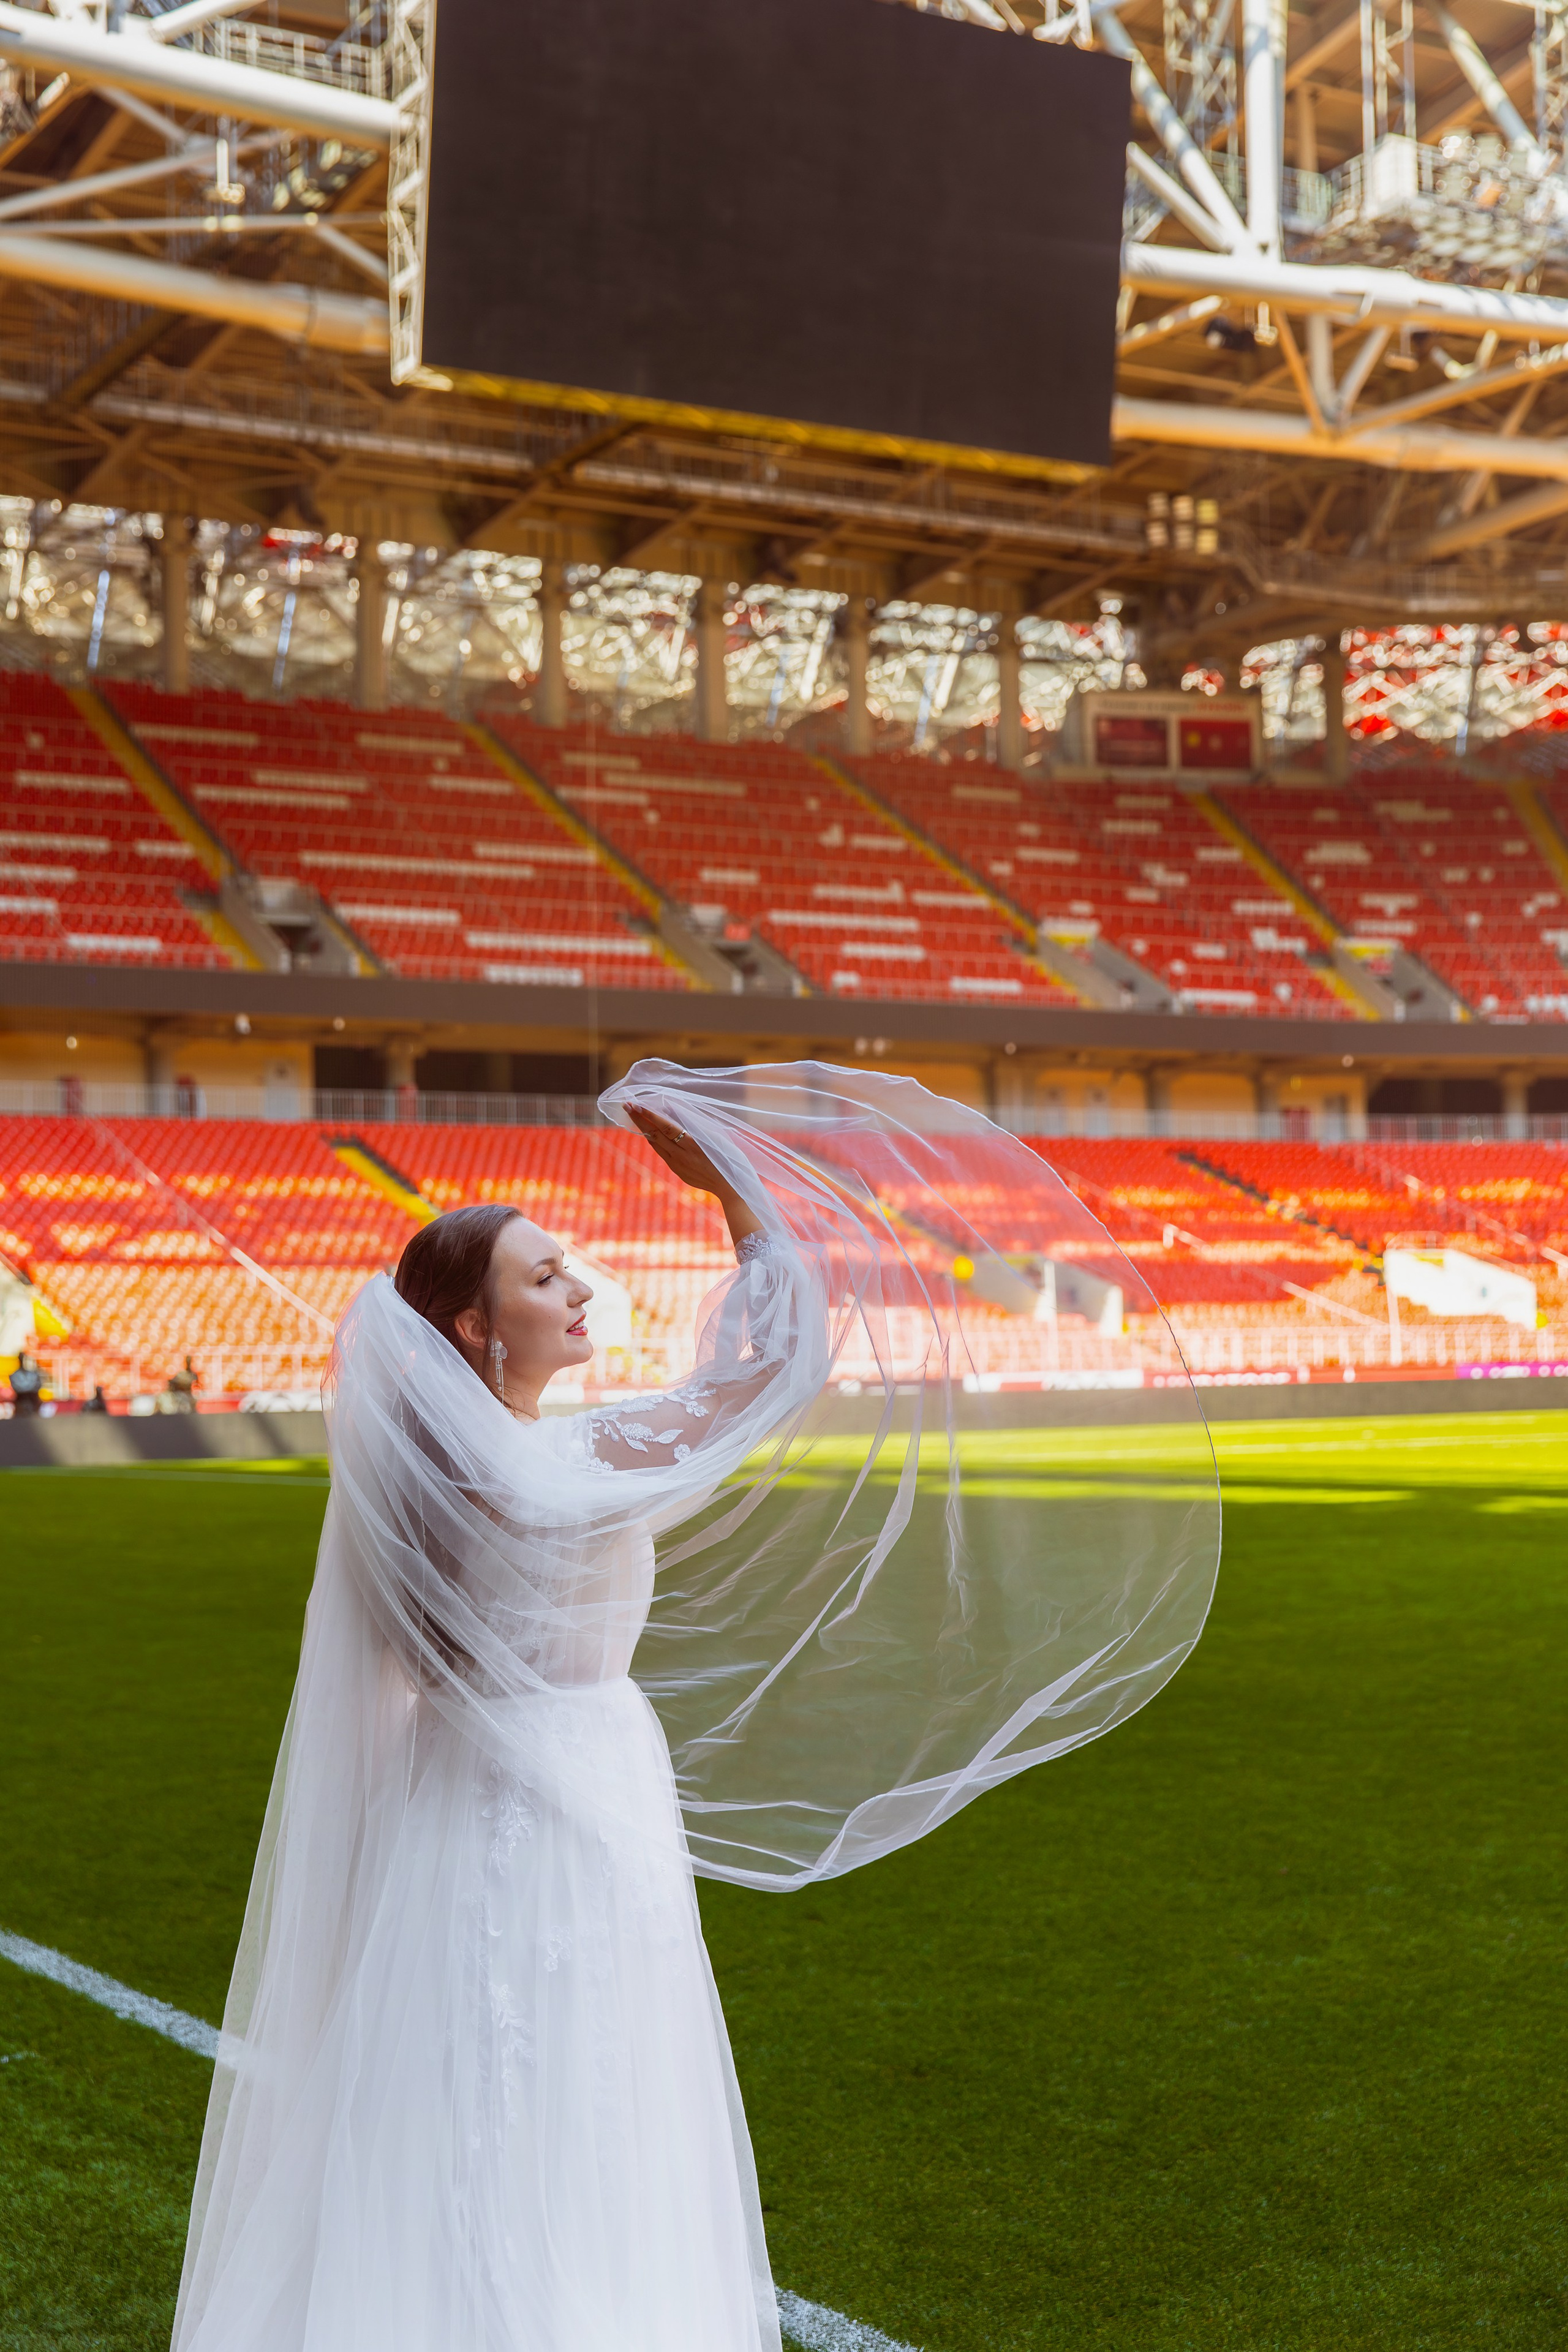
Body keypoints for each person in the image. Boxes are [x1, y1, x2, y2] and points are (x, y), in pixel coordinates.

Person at [173, 1061, 1219, 2352]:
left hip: (449, 1795)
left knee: (459, 2076)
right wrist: (730, 1187)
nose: (579, 1290)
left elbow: (402, 1673)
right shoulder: (567, 1463)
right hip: (578, 1782)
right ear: (471, 1329)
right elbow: (769, 1369)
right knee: (590, 2070)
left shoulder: (422, 1492)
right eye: (544, 1278)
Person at [9, 1350, 43, 1417]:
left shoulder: (33, 1374)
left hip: (33, 1396)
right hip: (21, 1397)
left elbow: (39, 1384)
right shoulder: (14, 1375)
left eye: (24, 1359)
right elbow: (15, 1387)